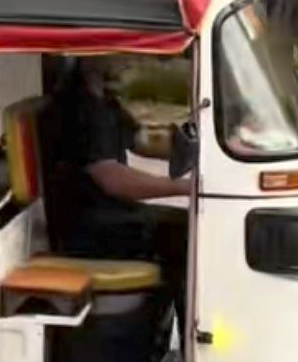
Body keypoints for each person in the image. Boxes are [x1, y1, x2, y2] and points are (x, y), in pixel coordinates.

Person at [45, 56, 191, 340]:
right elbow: (112, 179)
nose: (129, 55)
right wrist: (185, 187)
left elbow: (140, 141)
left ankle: (161, 336)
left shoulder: (104, 97)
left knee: (181, 227)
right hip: (85, 225)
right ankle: (180, 344)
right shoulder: (78, 106)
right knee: (181, 234)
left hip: (105, 212)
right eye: (120, 49)